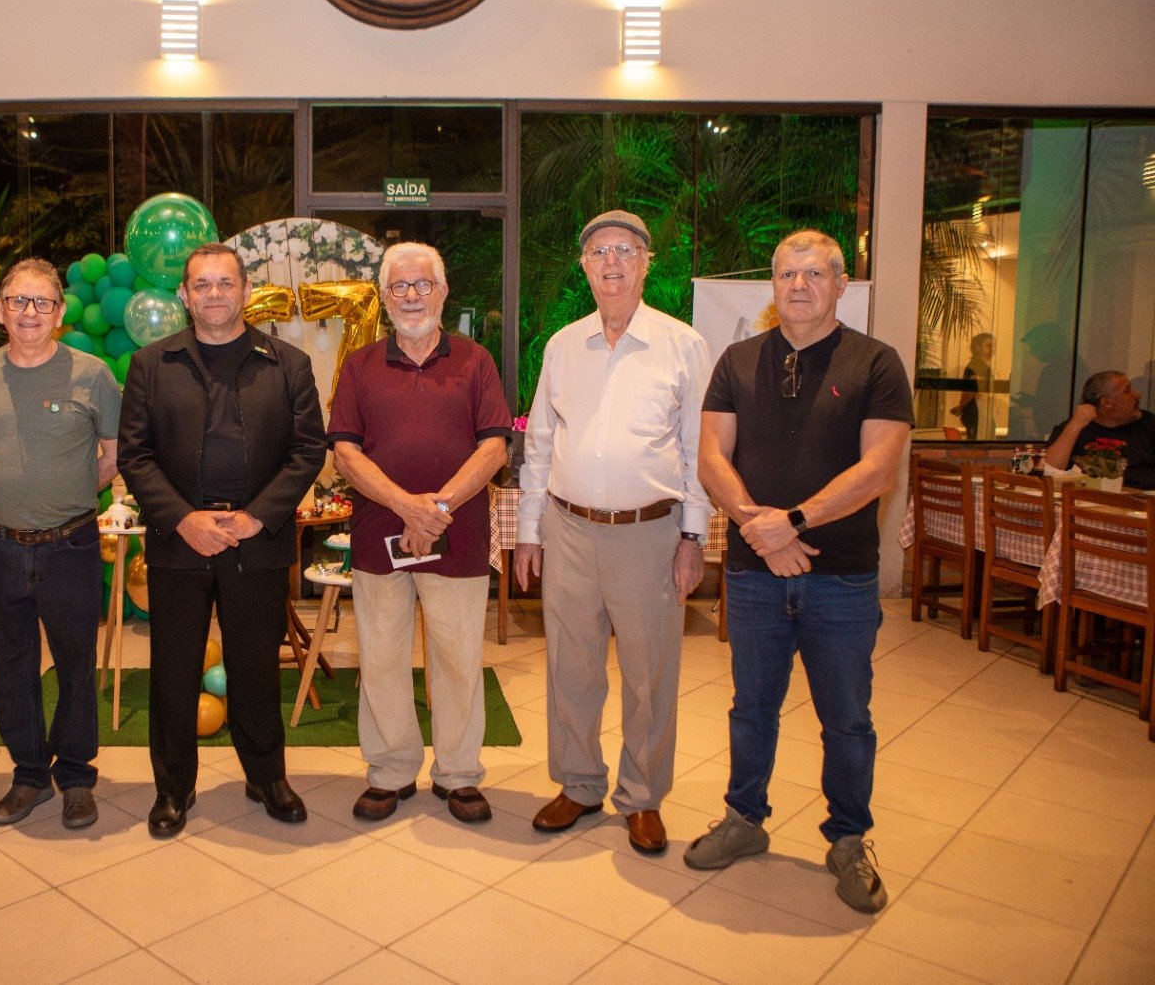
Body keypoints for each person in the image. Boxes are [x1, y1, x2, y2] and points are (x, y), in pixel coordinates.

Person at [687, 229, 912, 915]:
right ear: (773, 285)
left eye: (815, 274)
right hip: (755, 575)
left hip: (840, 577)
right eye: (787, 274)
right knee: (751, 708)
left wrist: (795, 522)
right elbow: (711, 457)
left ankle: (848, 839)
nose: (800, 286)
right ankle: (744, 819)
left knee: (846, 718)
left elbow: (879, 469)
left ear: (841, 284)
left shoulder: (876, 362)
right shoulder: (738, 360)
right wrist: (760, 527)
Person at [514, 209, 710, 856]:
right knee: (571, 668)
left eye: (625, 250)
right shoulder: (564, 346)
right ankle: (578, 783)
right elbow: (540, 443)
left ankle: (642, 796)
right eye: (599, 252)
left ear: (646, 263)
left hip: (651, 535)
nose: (612, 263)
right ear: (584, 267)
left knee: (649, 673)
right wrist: (529, 531)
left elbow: (698, 449)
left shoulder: (683, 345)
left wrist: (693, 538)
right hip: (568, 529)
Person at [117, 242, 326, 838]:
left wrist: (258, 517)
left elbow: (308, 450)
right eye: (202, 284)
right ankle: (172, 788)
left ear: (246, 291)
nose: (214, 294)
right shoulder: (152, 365)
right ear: (184, 295)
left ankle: (267, 777)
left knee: (255, 667)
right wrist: (184, 520)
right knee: (174, 669)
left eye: (225, 283)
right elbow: (135, 454)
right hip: (180, 541)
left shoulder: (287, 364)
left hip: (256, 540)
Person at [328, 242, 512, 824]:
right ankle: (390, 771)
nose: (412, 296)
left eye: (422, 284)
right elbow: (345, 453)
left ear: (443, 291)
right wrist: (407, 507)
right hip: (378, 533)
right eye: (400, 286)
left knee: (458, 658)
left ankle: (458, 774)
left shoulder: (476, 361)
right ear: (385, 297)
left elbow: (495, 446)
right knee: (381, 658)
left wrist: (437, 508)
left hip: (458, 534)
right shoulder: (358, 365)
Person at [0, 258, 121, 831]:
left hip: (70, 546)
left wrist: (70, 493)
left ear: (59, 312)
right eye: (18, 301)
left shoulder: (93, 375)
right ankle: (29, 774)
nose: (29, 312)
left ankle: (75, 777)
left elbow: (115, 454)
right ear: (0, 310)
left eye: (42, 302)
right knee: (10, 666)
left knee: (75, 664)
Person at [1041, 370, 1155, 489]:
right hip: (1088, 498)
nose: (1137, 395)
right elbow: (1050, 470)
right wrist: (1074, 426)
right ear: (1106, 402)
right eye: (1127, 390)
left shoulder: (1149, 423)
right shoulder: (1075, 427)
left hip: (1144, 497)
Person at [949, 332, 994, 440]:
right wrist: (961, 407)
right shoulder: (977, 366)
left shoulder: (979, 365)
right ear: (978, 347)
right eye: (988, 346)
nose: (992, 349)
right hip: (976, 413)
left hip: (977, 412)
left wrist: (960, 407)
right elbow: (970, 391)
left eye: (993, 346)